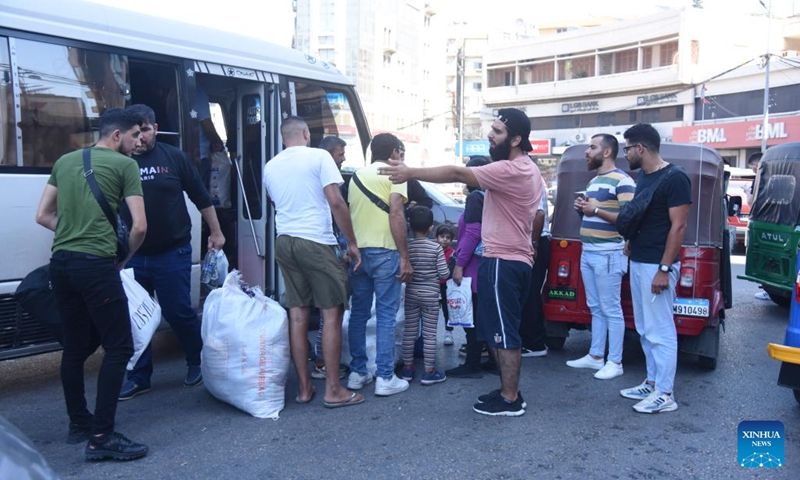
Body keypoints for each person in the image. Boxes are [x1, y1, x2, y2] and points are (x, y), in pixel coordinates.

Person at [381, 108, 543, 417]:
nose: (489, 136)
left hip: (503, 262)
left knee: (504, 333)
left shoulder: (514, 169)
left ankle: (511, 398)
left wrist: (409, 172)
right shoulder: (523, 168)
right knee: (496, 329)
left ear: (516, 139)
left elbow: (457, 173)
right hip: (510, 260)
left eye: (496, 131)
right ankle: (507, 391)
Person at [35, 108, 149, 461]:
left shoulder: (66, 161)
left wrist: (73, 236)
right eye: (134, 135)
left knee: (75, 346)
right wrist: (123, 259)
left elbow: (43, 215)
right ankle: (102, 435)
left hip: (61, 264)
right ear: (116, 135)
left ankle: (79, 424)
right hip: (95, 266)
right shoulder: (125, 166)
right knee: (119, 348)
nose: (139, 141)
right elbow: (140, 227)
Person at [117, 104, 225, 401]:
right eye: (135, 133)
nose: (140, 139)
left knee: (178, 312)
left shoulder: (173, 157)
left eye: (146, 131)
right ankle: (139, 376)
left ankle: (196, 361)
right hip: (132, 255)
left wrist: (216, 231)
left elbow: (201, 196)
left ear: (155, 128)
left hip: (172, 251)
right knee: (135, 318)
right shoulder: (119, 160)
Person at [263, 116, 364, 408]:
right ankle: (334, 390)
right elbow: (335, 201)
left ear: (284, 139)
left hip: (284, 241)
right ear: (306, 133)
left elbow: (275, 204)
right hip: (316, 241)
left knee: (297, 315)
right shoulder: (319, 156)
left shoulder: (271, 166)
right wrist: (352, 243)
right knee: (331, 312)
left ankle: (304, 389)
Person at [619, 124, 691, 414]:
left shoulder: (675, 178)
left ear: (640, 148)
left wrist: (664, 267)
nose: (625, 154)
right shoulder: (644, 177)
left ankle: (665, 393)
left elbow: (679, 226)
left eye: (627, 148)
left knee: (661, 329)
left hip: (656, 265)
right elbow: (644, 215)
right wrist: (630, 240)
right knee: (645, 328)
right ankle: (651, 382)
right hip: (639, 259)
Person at [347, 132, 413, 397]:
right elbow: (396, 214)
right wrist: (405, 257)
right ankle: (385, 377)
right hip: (385, 251)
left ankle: (357, 372)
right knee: (386, 315)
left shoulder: (356, 176)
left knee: (359, 313)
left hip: (358, 253)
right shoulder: (396, 174)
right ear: (395, 152)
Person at [566, 134, 635, 380]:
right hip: (590, 251)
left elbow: (630, 219)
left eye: (592, 147)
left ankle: (615, 362)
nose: (587, 151)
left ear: (606, 152)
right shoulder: (595, 180)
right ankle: (596, 356)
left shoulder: (623, 181)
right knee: (596, 307)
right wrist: (583, 210)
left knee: (611, 309)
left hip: (608, 253)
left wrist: (594, 209)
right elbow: (596, 215)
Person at [445, 156, 494, 379]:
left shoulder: (475, 197)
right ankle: (493, 361)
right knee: (485, 315)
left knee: (471, 316)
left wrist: (459, 264)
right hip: (490, 263)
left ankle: (472, 364)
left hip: (474, 265)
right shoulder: (492, 194)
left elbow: (473, 233)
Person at [310, 135, 349, 380]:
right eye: (340, 154)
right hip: (326, 248)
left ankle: (319, 360)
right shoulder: (328, 180)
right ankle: (322, 362)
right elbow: (336, 209)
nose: (343, 159)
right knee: (331, 309)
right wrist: (349, 245)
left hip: (309, 246)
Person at [400, 207, 450, 384]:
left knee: (409, 332)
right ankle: (429, 371)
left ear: (410, 227)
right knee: (429, 334)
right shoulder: (436, 248)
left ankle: (407, 369)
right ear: (431, 228)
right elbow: (444, 273)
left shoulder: (406, 247)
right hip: (430, 296)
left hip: (411, 294)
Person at [519, 173, 551, 358]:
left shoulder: (531, 180)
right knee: (528, 292)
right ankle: (531, 339)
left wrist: (534, 244)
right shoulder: (532, 179)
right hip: (535, 241)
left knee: (530, 293)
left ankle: (535, 343)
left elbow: (538, 215)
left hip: (535, 241)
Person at [435, 223, 456, 346]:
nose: (445, 240)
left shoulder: (452, 253)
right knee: (431, 311)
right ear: (437, 237)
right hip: (433, 286)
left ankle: (449, 332)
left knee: (447, 310)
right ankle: (430, 334)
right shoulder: (433, 251)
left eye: (448, 237)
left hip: (447, 287)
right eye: (442, 236)